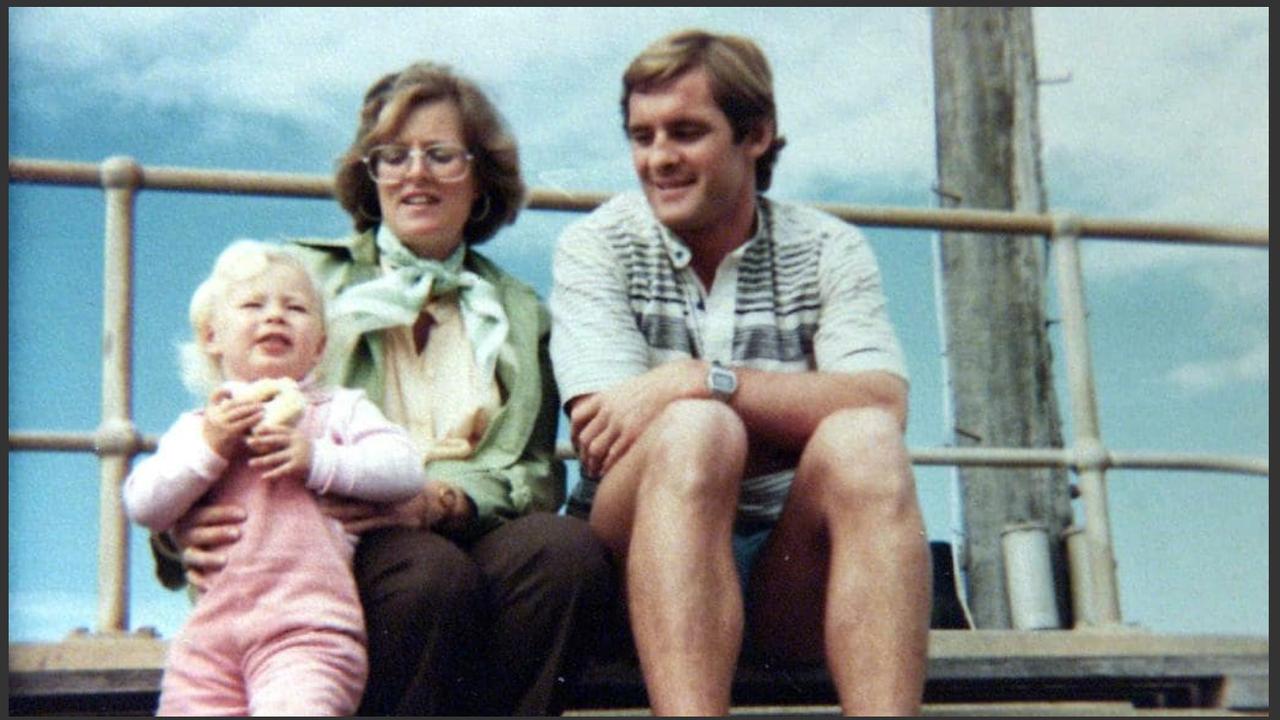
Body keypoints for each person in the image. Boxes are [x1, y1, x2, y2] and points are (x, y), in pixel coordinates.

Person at [151, 62, 614, 715]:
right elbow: (216, 410)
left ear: (480, 176)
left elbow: (535, 478)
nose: (415, 173)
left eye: (441, 154)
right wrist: (178, 530)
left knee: (565, 554)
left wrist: (444, 501)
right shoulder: (302, 277)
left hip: (464, 520)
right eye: (392, 156)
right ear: (371, 174)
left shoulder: (519, 309)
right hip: (333, 535)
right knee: (427, 574)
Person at [549, 29, 931, 715]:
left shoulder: (827, 248)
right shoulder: (596, 246)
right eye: (643, 136)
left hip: (789, 572)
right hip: (636, 562)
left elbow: (881, 404)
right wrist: (785, 417)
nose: (659, 158)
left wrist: (700, 377)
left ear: (755, 135)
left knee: (864, 443)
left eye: (686, 132)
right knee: (698, 433)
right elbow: (607, 438)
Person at [125, 241, 427, 715]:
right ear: (211, 337)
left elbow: (405, 469)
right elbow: (145, 504)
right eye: (252, 304)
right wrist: (210, 448)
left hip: (307, 631)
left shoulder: (336, 410)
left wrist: (319, 460)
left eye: (296, 307)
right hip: (207, 640)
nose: (275, 317)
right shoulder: (198, 426)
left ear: (321, 344)